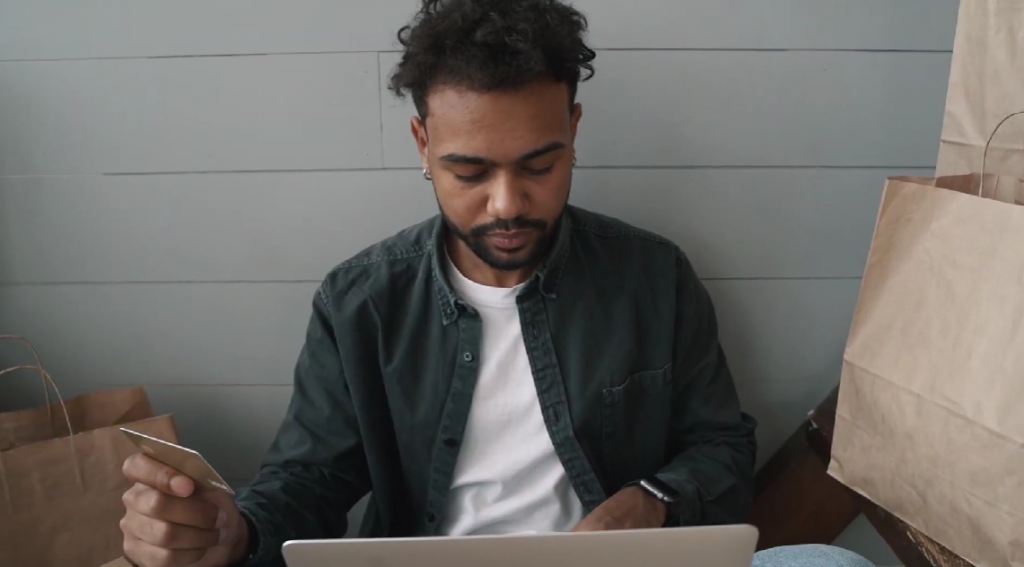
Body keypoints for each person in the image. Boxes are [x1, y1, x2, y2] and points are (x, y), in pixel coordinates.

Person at [118, 1, 877, 566]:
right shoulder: (362, 302)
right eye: (470, 170)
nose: (508, 203)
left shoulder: (652, 276)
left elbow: (721, 449)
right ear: (423, 143)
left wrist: (651, 502)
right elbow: (309, 478)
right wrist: (234, 528)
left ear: (574, 130)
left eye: (539, 165)